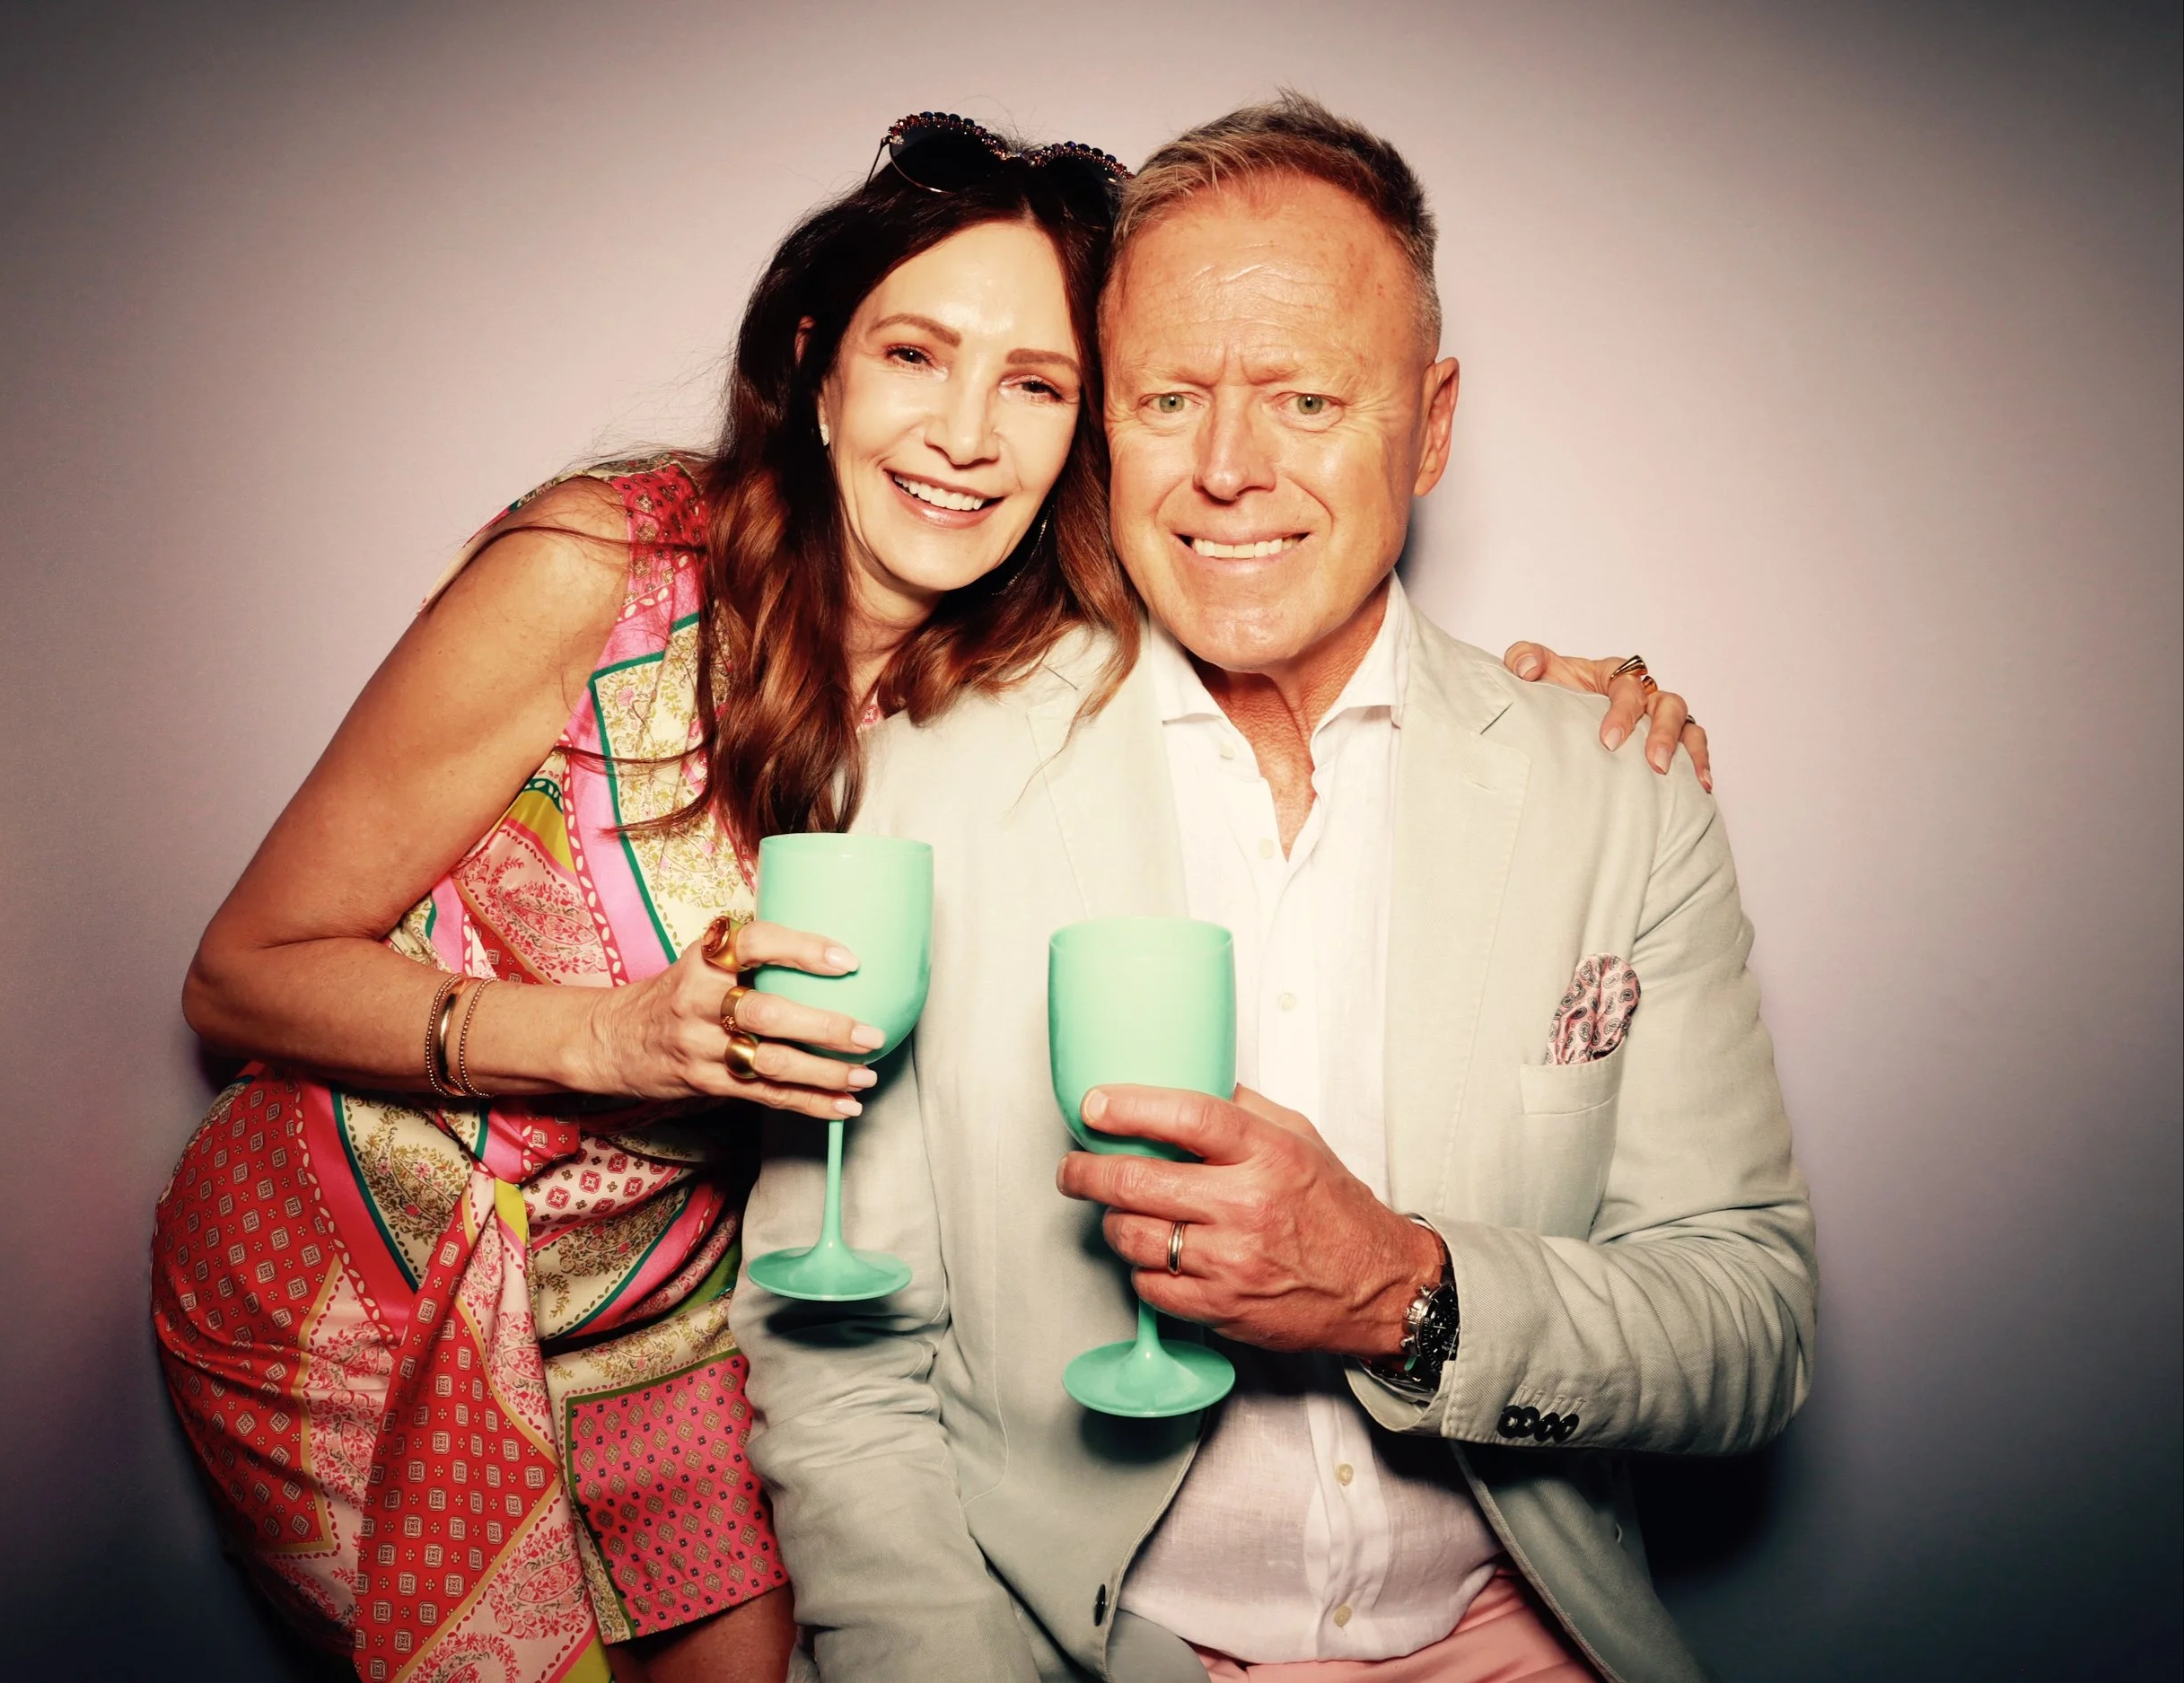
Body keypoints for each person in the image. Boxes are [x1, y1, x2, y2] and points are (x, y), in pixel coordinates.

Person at [152, 111, 1710, 1683]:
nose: (967, 431)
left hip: (663, 1302)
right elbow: (243, 973)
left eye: (1036, 385)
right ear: (823, 368)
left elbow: (1300, 617)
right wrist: (618, 1038)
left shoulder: (1032, 664)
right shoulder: (598, 570)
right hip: (365, 1264)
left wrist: (1557, 708)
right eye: (916, 354)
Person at [733, 95, 1812, 1683]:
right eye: (1169, 398)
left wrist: (1402, 1290)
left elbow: (1751, 1319)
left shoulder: (1621, 789)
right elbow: (841, 1352)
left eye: (1307, 398)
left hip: (1517, 1634)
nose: (1227, 471)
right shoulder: (927, 778)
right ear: (1108, 423)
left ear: (1431, 425)